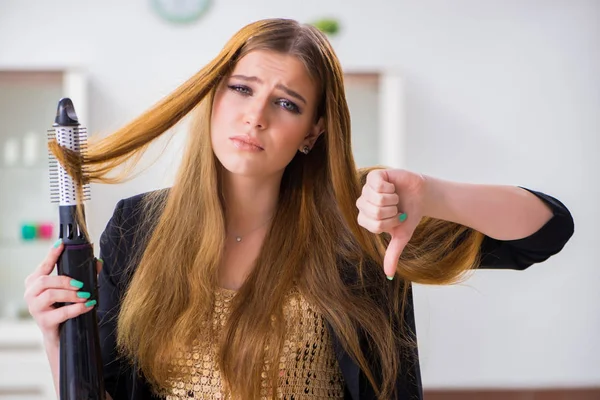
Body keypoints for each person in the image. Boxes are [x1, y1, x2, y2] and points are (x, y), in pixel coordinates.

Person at [24, 18, 574, 400]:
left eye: (286, 103)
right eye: (241, 89)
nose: (255, 116)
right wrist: (60, 342)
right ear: (212, 98)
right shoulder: (136, 229)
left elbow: (546, 232)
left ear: (312, 133)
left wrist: (433, 194)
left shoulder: (360, 221)